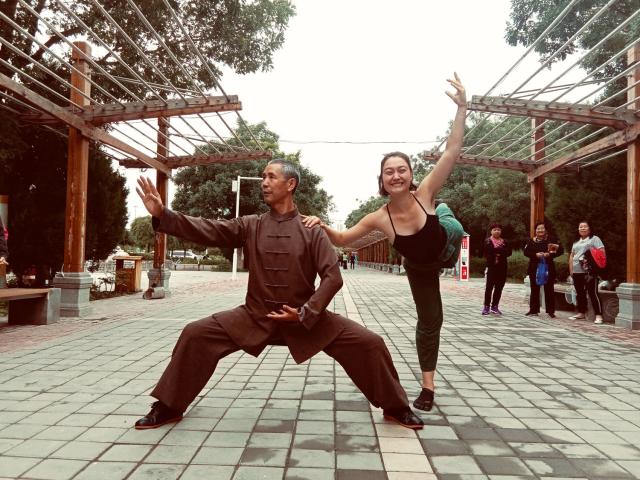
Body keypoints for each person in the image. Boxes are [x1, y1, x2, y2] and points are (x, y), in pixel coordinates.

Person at [134, 159, 423, 430]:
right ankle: (169, 406)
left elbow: (332, 278)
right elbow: (210, 229)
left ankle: (395, 406)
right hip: (254, 316)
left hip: (304, 319)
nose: (264, 182)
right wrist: (163, 215)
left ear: (291, 184)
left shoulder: (312, 230)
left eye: (271, 176)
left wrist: (305, 313)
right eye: (262, 177)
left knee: (369, 343)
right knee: (195, 334)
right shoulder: (251, 224)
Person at [302, 73, 466, 412]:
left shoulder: (425, 193)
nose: (396, 175)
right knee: (430, 321)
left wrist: (462, 108)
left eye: (402, 169)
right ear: (382, 180)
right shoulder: (381, 218)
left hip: (445, 236)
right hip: (421, 267)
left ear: (410, 174)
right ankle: (428, 386)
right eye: (389, 171)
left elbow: (452, 150)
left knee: (453, 224)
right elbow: (346, 238)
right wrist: (323, 225)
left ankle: (447, 215)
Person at [523, 222, 563, 318]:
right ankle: (533, 310)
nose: (540, 230)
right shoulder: (531, 241)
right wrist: (535, 255)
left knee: (549, 289)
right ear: (535, 230)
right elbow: (526, 252)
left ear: (546, 230)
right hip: (534, 268)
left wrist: (549, 254)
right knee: (534, 289)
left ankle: (550, 311)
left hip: (548, 267)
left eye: (542, 228)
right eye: (538, 229)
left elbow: (560, 250)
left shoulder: (551, 240)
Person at [568, 221, 605, 324]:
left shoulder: (595, 239)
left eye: (585, 226)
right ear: (578, 229)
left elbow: (602, 252)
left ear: (589, 228)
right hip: (576, 271)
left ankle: (599, 315)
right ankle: (581, 313)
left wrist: (593, 263)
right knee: (580, 293)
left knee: (593, 293)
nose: (583, 228)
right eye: (581, 227)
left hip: (589, 271)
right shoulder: (576, 242)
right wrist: (571, 269)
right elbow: (572, 255)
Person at [482, 223, 511, 315]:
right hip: (491, 267)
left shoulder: (505, 242)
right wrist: (500, 251)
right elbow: (488, 251)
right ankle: (486, 306)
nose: (497, 231)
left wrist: (497, 251)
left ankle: (495, 306)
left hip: (502, 267)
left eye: (498, 229)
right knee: (489, 287)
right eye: (494, 229)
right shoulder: (487, 241)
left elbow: (509, 252)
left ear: (501, 231)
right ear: (491, 231)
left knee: (499, 287)